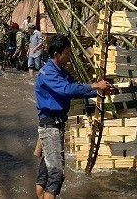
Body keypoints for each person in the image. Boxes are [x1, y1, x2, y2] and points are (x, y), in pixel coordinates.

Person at [35, 34, 113, 199]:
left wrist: (100, 89)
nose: (69, 57)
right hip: (50, 127)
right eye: (67, 53)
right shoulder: (48, 72)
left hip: (55, 125)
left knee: (46, 170)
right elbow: (67, 90)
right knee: (56, 173)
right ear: (57, 54)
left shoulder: (60, 72)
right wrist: (95, 85)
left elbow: (76, 88)